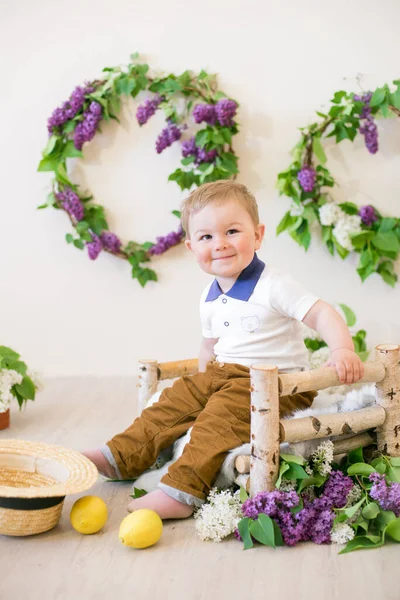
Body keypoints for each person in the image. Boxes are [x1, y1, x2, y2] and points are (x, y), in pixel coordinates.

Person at [84, 180, 364, 519]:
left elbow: (322, 313)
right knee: (173, 401)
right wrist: (200, 386)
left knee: (218, 419)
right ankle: (119, 456)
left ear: (258, 235)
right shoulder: (209, 295)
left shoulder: (274, 284)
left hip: (276, 383)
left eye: (232, 231)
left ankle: (181, 491)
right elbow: (208, 346)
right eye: (206, 237)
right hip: (225, 374)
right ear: (191, 247)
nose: (220, 244)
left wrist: (342, 349)